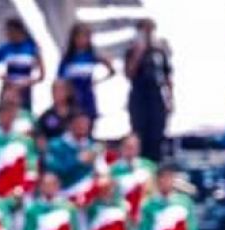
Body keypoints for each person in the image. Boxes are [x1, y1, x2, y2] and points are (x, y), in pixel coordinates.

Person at [125, 18, 174, 162]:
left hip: (156, 95)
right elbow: (129, 73)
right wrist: (138, 53)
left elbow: (167, 76)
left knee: (157, 134)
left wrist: (170, 99)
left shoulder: (159, 51)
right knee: (140, 132)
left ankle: (156, 163)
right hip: (139, 96)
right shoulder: (132, 50)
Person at [60, 22, 115, 121]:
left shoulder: (91, 56)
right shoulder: (68, 58)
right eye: (79, 37)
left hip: (88, 97)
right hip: (72, 98)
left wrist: (98, 81)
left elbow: (112, 71)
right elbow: (60, 78)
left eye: (85, 37)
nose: (82, 40)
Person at [0, 17, 43, 112]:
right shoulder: (4, 48)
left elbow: (41, 75)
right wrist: (3, 77)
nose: (8, 35)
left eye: (10, 32)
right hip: (8, 88)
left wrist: (28, 82)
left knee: (24, 115)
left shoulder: (32, 48)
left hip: (24, 89)